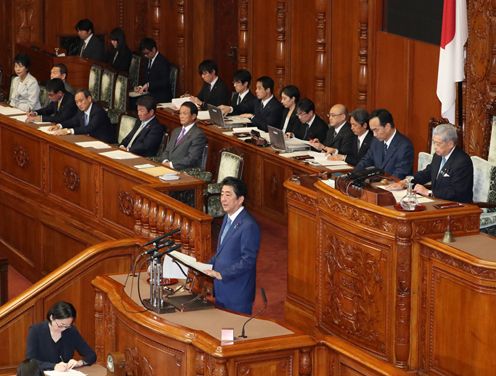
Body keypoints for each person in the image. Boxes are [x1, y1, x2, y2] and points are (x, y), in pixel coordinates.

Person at [205, 177, 260, 314]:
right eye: (222, 194)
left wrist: (222, 274)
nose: (223, 199)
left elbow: (248, 261)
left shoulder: (249, 226)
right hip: (222, 289)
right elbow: (222, 251)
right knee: (222, 331)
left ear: (240, 199)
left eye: (228, 195)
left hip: (237, 292)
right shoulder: (227, 217)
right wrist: (204, 265)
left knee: (233, 333)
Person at [386, 123, 473, 202]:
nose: (435, 147)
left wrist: (428, 192)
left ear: (450, 144)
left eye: (438, 144)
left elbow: (456, 193)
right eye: (434, 143)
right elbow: (426, 173)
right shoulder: (438, 156)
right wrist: (405, 182)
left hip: (456, 207)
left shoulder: (462, 162)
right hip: (438, 202)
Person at [25, 301, 96, 371]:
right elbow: (30, 361)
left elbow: (91, 355)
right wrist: (54, 366)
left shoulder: (71, 331)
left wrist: (79, 363)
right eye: (61, 325)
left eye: (67, 326)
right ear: (52, 317)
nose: (63, 329)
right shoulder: (36, 331)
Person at [355, 108, 414, 179]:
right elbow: (366, 160)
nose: (374, 134)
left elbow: (400, 174)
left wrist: (380, 184)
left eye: (376, 130)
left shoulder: (404, 146)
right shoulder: (376, 141)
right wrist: (354, 174)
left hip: (393, 186)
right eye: (372, 131)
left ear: (387, 127)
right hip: (377, 185)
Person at [48, 89, 115, 143]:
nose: (79, 104)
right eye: (76, 102)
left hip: (104, 142)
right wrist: (59, 125)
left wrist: (69, 131)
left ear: (89, 99)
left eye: (81, 101)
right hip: (89, 140)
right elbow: (74, 121)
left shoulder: (98, 111)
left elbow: (89, 128)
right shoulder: (81, 110)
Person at [159, 101, 207, 170]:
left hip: (183, 171)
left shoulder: (198, 135)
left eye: (184, 113)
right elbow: (166, 151)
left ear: (193, 116)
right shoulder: (176, 131)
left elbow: (191, 159)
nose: (181, 116)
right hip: (167, 167)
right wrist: (165, 161)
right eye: (180, 113)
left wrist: (171, 165)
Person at [134, 37, 172, 103]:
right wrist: (141, 86)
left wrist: (149, 85)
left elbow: (165, 82)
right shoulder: (147, 60)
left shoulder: (162, 62)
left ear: (154, 49)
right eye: (144, 54)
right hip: (149, 94)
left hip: (161, 95)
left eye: (147, 53)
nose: (145, 56)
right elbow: (145, 77)